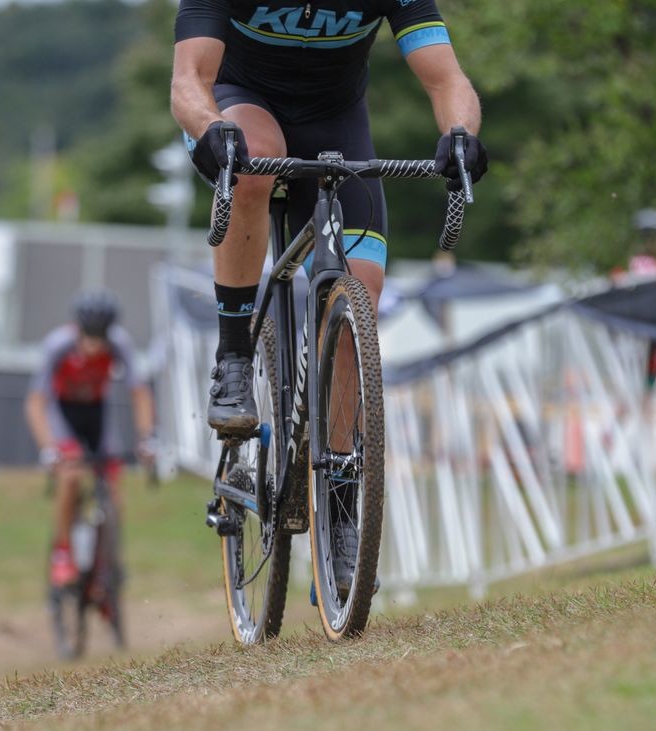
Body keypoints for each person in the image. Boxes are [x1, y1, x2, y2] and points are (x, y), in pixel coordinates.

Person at [170, 0, 487, 596]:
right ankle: (235, 355)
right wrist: (209, 129)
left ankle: (339, 501)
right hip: (240, 109)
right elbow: (189, 80)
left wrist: (460, 134)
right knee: (254, 169)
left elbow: (447, 78)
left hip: (337, 125)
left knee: (358, 293)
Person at [24, 292, 156, 588]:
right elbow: (36, 403)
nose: (95, 345)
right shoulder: (57, 345)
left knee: (113, 487)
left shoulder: (120, 343)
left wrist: (147, 438)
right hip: (64, 414)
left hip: (97, 413)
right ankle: (62, 553)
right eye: (89, 337)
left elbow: (139, 391)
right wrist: (48, 449)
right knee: (70, 478)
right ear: (77, 329)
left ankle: (107, 565)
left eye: (101, 337)